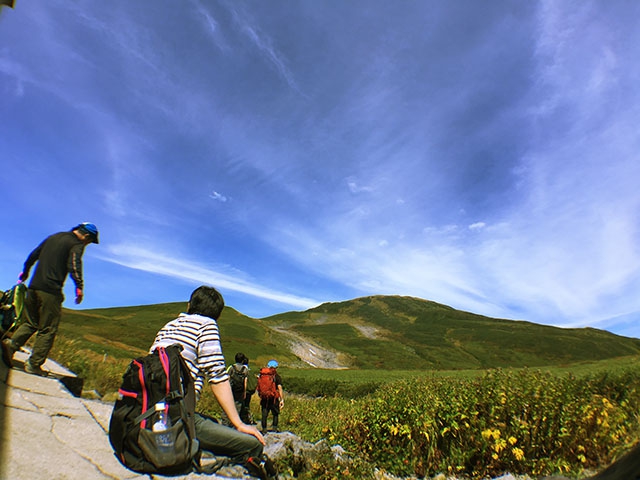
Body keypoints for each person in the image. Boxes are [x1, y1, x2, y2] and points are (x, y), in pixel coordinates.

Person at [149, 285, 275, 479]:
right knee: (253, 445)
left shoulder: (168, 326)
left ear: (189, 305)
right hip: (176, 417)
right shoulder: (206, 326)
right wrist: (239, 424)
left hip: (146, 411)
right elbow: (217, 377)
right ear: (218, 314)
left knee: (213, 422)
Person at [1, 222, 99, 376]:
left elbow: (34, 254)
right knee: (48, 328)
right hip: (50, 291)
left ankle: (11, 346)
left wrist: (25, 271)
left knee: (30, 322)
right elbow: (74, 264)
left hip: (34, 287)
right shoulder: (76, 244)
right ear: (86, 236)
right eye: (89, 241)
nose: (87, 244)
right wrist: (79, 286)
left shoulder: (54, 237)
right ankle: (34, 364)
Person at [221, 352, 249, 426]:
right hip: (240, 391)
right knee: (238, 406)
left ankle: (225, 422)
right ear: (243, 360)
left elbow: (227, 378)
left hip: (231, 389)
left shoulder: (231, 368)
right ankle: (235, 423)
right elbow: (245, 382)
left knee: (227, 404)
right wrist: (244, 392)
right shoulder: (245, 369)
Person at [259, 359, 284, 433]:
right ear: (276, 367)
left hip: (264, 397)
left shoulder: (262, 375)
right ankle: (274, 429)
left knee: (264, 414)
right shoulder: (277, 376)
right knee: (275, 413)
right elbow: (279, 388)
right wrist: (281, 399)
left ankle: (264, 429)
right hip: (274, 398)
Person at [242, 356, 258, 424]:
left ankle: (243, 419)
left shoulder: (242, 370)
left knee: (241, 405)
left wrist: (244, 391)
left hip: (243, 390)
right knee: (247, 405)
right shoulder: (251, 370)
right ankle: (249, 418)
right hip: (250, 390)